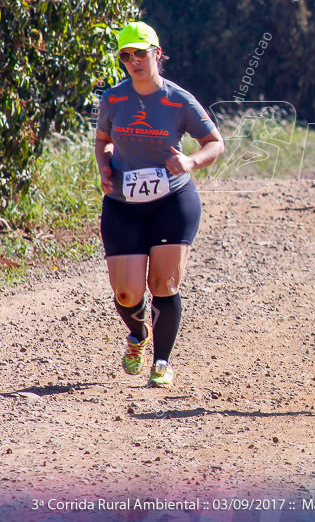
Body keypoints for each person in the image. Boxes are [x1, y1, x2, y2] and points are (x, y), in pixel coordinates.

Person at [95, 22, 224, 387]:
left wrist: (191, 162)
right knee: (126, 292)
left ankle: (163, 362)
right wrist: (104, 166)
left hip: (172, 200)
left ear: (157, 53)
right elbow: (103, 139)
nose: (134, 60)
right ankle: (138, 334)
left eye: (140, 53)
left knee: (164, 283)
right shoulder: (114, 98)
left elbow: (215, 143)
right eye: (126, 55)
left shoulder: (178, 99)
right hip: (123, 202)